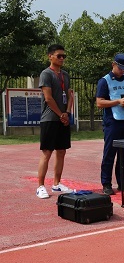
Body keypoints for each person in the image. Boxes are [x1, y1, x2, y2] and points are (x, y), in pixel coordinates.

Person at [96, 53, 124, 195]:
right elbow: (99, 102)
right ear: (113, 64)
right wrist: (117, 102)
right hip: (113, 121)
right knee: (110, 153)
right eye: (120, 68)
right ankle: (106, 183)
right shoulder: (105, 81)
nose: (122, 71)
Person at [36, 44, 74, 198]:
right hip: (50, 119)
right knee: (47, 152)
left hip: (63, 118)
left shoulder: (65, 75)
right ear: (50, 56)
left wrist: (67, 113)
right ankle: (40, 186)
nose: (62, 58)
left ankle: (57, 184)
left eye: (64, 56)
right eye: (59, 56)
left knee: (61, 151)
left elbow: (70, 96)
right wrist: (60, 115)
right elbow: (48, 98)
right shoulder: (46, 74)